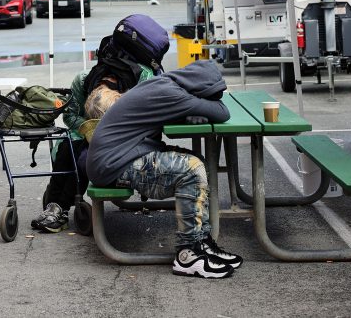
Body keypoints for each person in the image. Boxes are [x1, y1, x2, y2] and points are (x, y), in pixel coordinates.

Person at [87, 60, 243, 279]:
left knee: (198, 161)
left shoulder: (164, 85)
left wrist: (192, 109)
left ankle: (201, 241)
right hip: (113, 164)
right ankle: (187, 255)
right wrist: (199, 104)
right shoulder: (172, 93)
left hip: (119, 156)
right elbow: (222, 111)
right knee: (191, 169)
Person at [31, 21, 164, 233]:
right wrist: (86, 127)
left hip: (127, 138)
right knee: (69, 147)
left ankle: (59, 207)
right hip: (86, 134)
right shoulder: (83, 80)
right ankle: (57, 207)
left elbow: (150, 122)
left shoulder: (142, 81)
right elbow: (70, 115)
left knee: (87, 153)